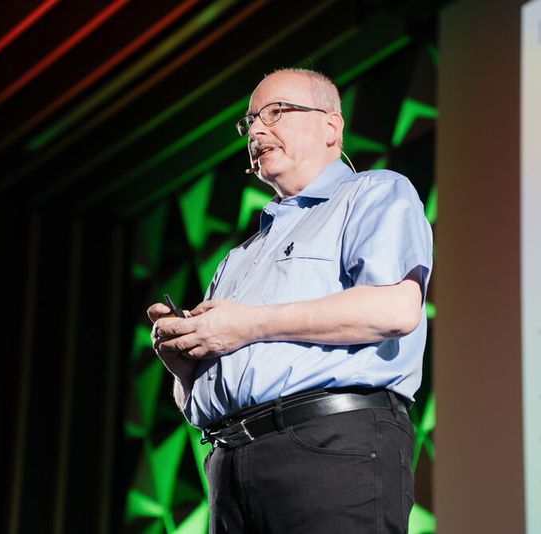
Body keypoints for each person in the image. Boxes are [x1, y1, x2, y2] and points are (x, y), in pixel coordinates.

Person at [147, 68, 433, 533]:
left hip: (330, 447)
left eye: (275, 113)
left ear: (330, 126)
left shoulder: (373, 192)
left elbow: (394, 309)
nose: (257, 130)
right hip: (228, 464)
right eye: (250, 122)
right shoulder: (235, 260)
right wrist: (184, 364)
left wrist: (249, 325)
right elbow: (194, 404)